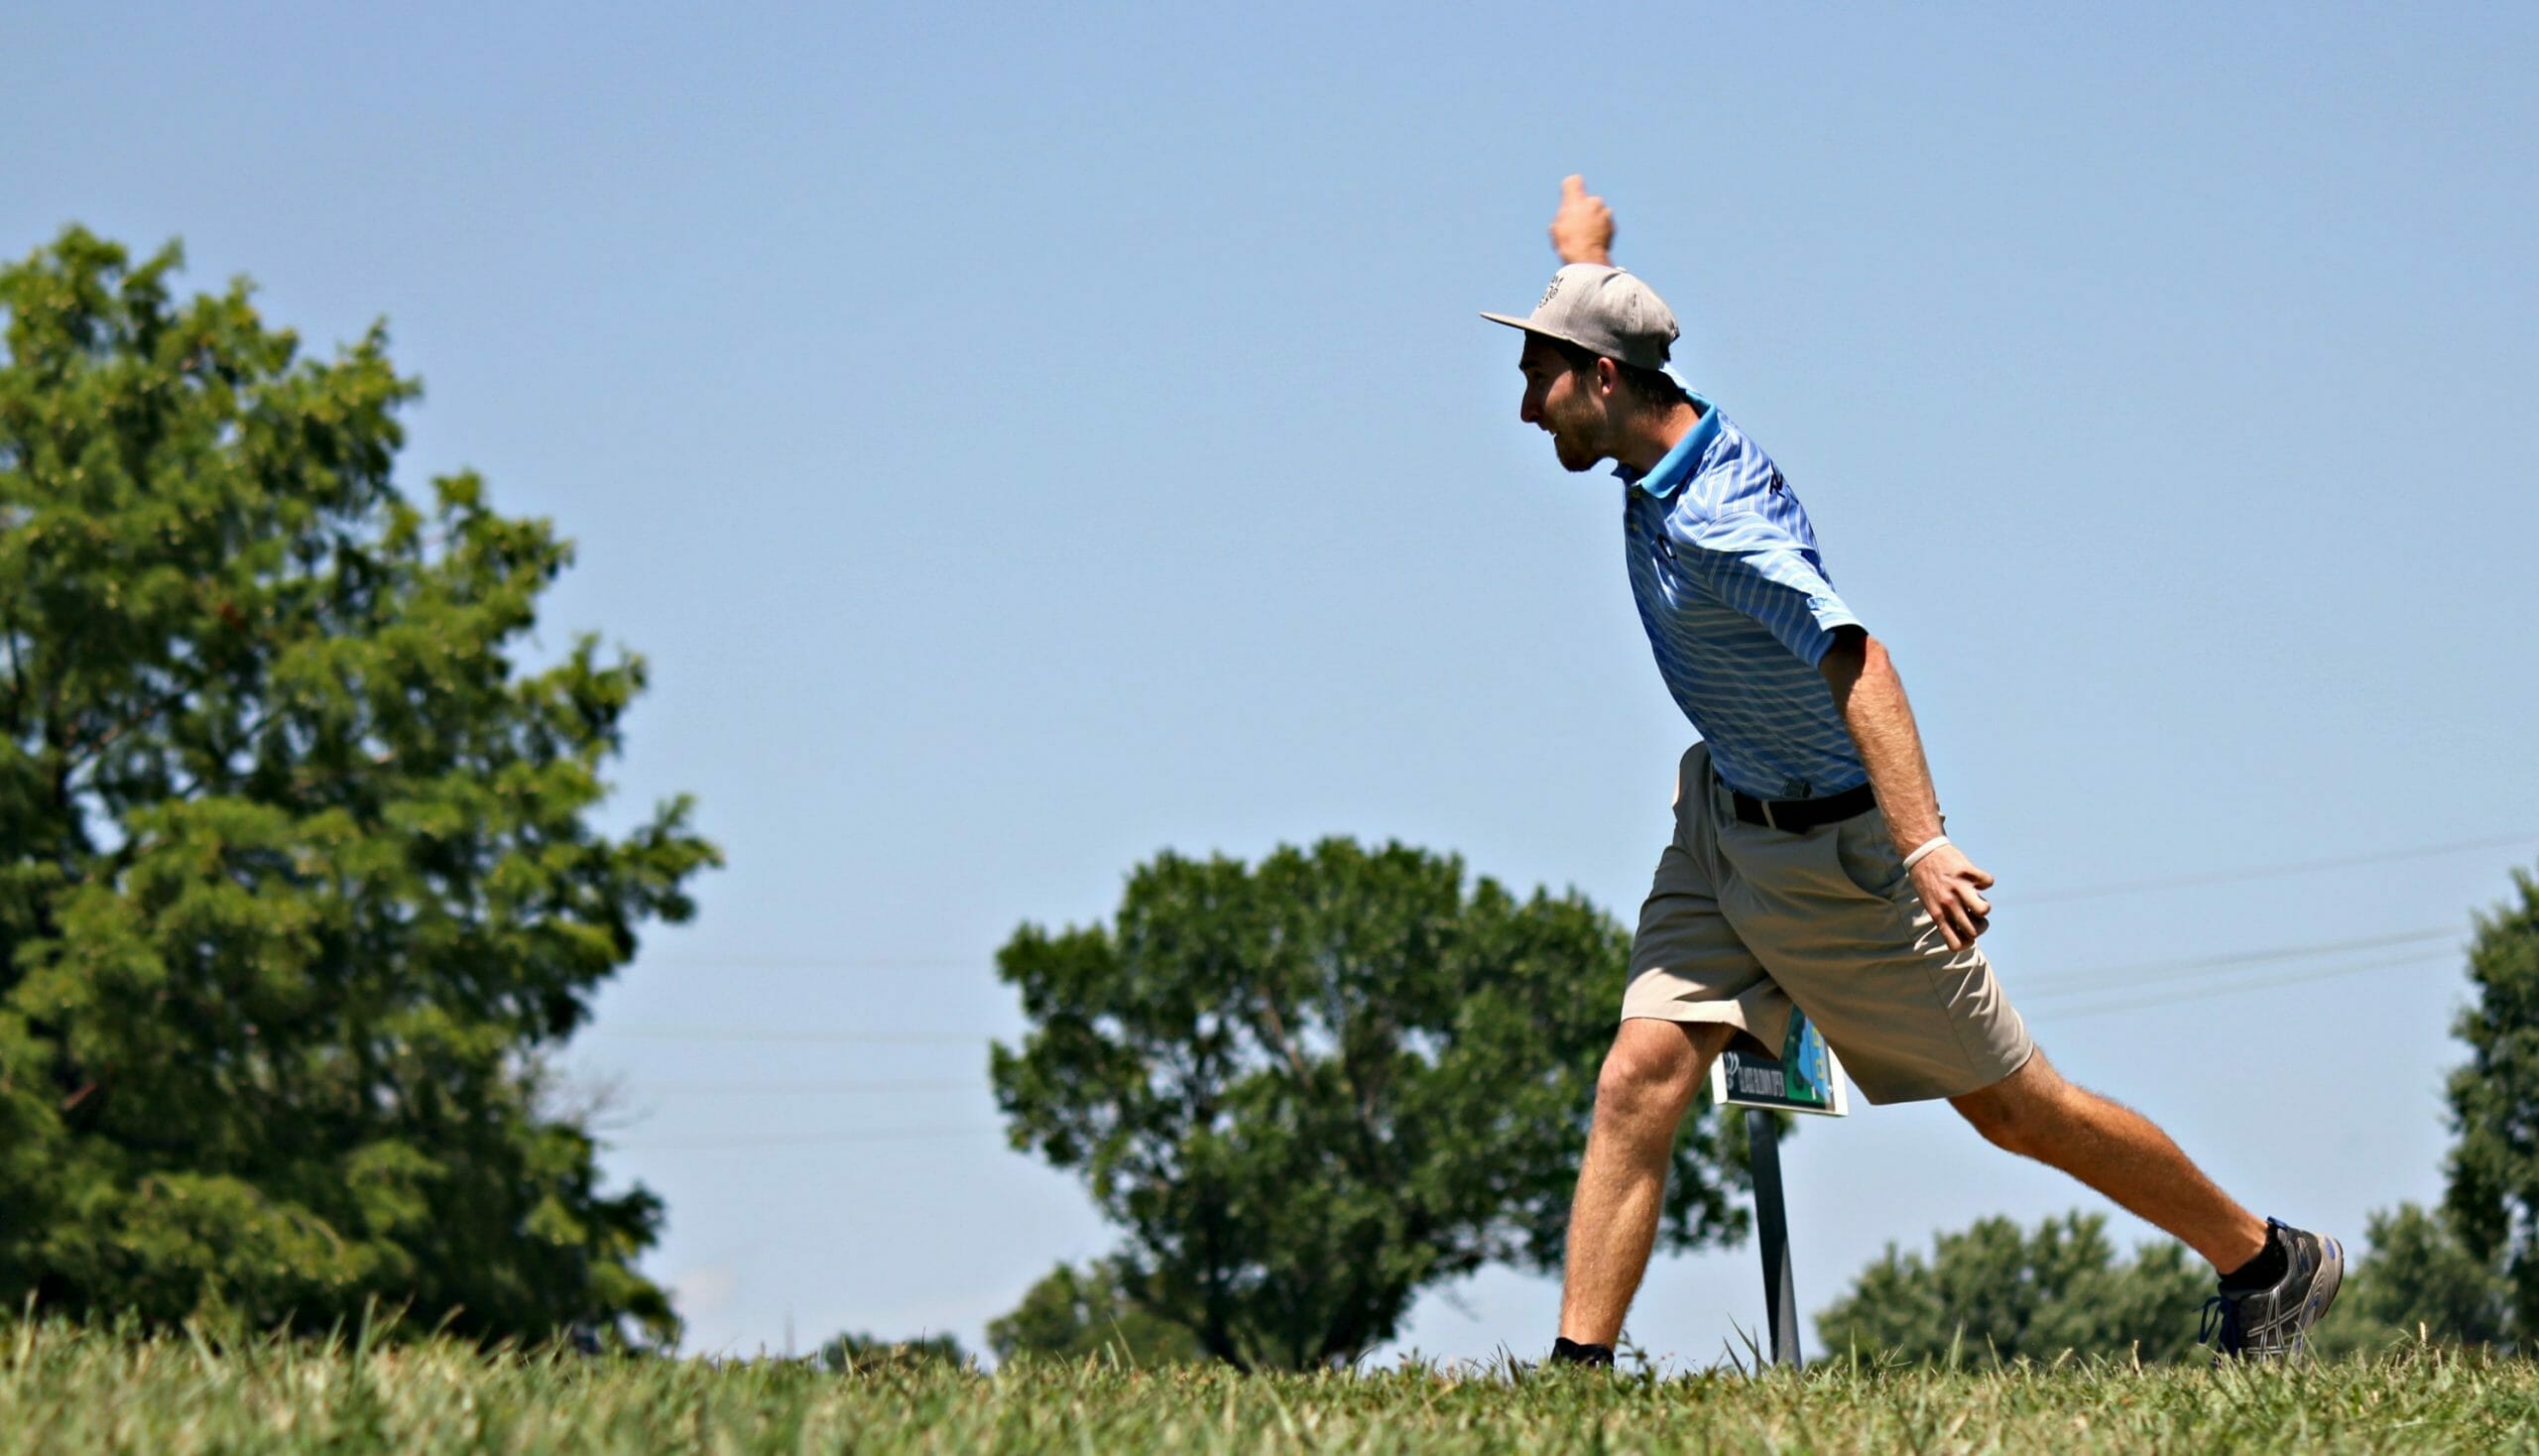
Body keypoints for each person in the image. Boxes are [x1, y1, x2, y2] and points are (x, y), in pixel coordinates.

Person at [1482, 176, 2342, 1364]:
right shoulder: (1655, 432)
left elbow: (1861, 659)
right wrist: (1583, 251)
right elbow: (1605, 315)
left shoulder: (1719, 522)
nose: (1528, 408)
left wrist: (1924, 840)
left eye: (1541, 378)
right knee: (1639, 1069)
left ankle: (2265, 1260)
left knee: (2013, 1110)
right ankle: (1574, 1383)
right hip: (1723, 818)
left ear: (1605, 379)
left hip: (1837, 857)